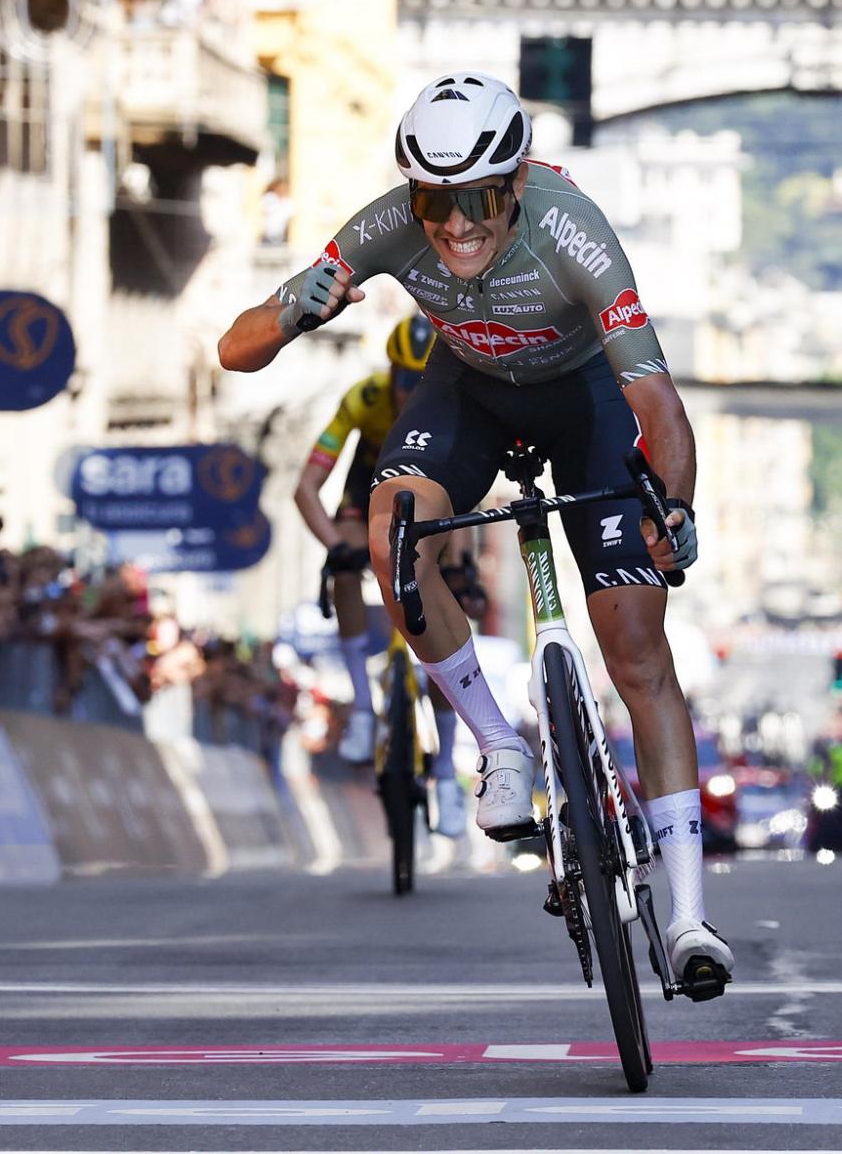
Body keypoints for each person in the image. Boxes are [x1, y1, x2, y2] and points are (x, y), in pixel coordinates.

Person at [218, 73, 730, 998]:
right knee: (392, 533)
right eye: (434, 203)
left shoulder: (574, 229)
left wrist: (676, 505)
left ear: (518, 183)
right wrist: (301, 307)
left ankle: (690, 914)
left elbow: (655, 399)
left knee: (637, 651)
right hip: (470, 397)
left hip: (587, 404)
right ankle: (499, 742)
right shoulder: (386, 226)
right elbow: (234, 348)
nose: (455, 226)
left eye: (480, 202)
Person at [292, 316, 471, 836]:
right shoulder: (362, 399)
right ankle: (364, 710)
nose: (410, 390)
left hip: (433, 496)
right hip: (365, 495)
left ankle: (443, 771)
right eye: (402, 378)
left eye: (421, 380)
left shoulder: (449, 404)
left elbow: (466, 497)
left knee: (445, 610)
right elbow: (306, 486)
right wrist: (333, 548)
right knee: (345, 563)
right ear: (388, 372)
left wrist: (458, 567)